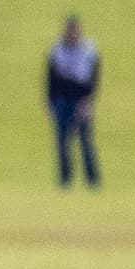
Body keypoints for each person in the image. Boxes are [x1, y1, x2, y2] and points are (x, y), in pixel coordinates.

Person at [48, 15, 102, 189]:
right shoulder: (57, 51)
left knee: (85, 142)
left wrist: (89, 100)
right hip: (63, 99)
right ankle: (65, 180)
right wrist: (51, 101)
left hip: (81, 98)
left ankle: (92, 180)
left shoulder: (87, 51)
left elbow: (94, 77)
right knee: (63, 142)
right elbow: (51, 78)